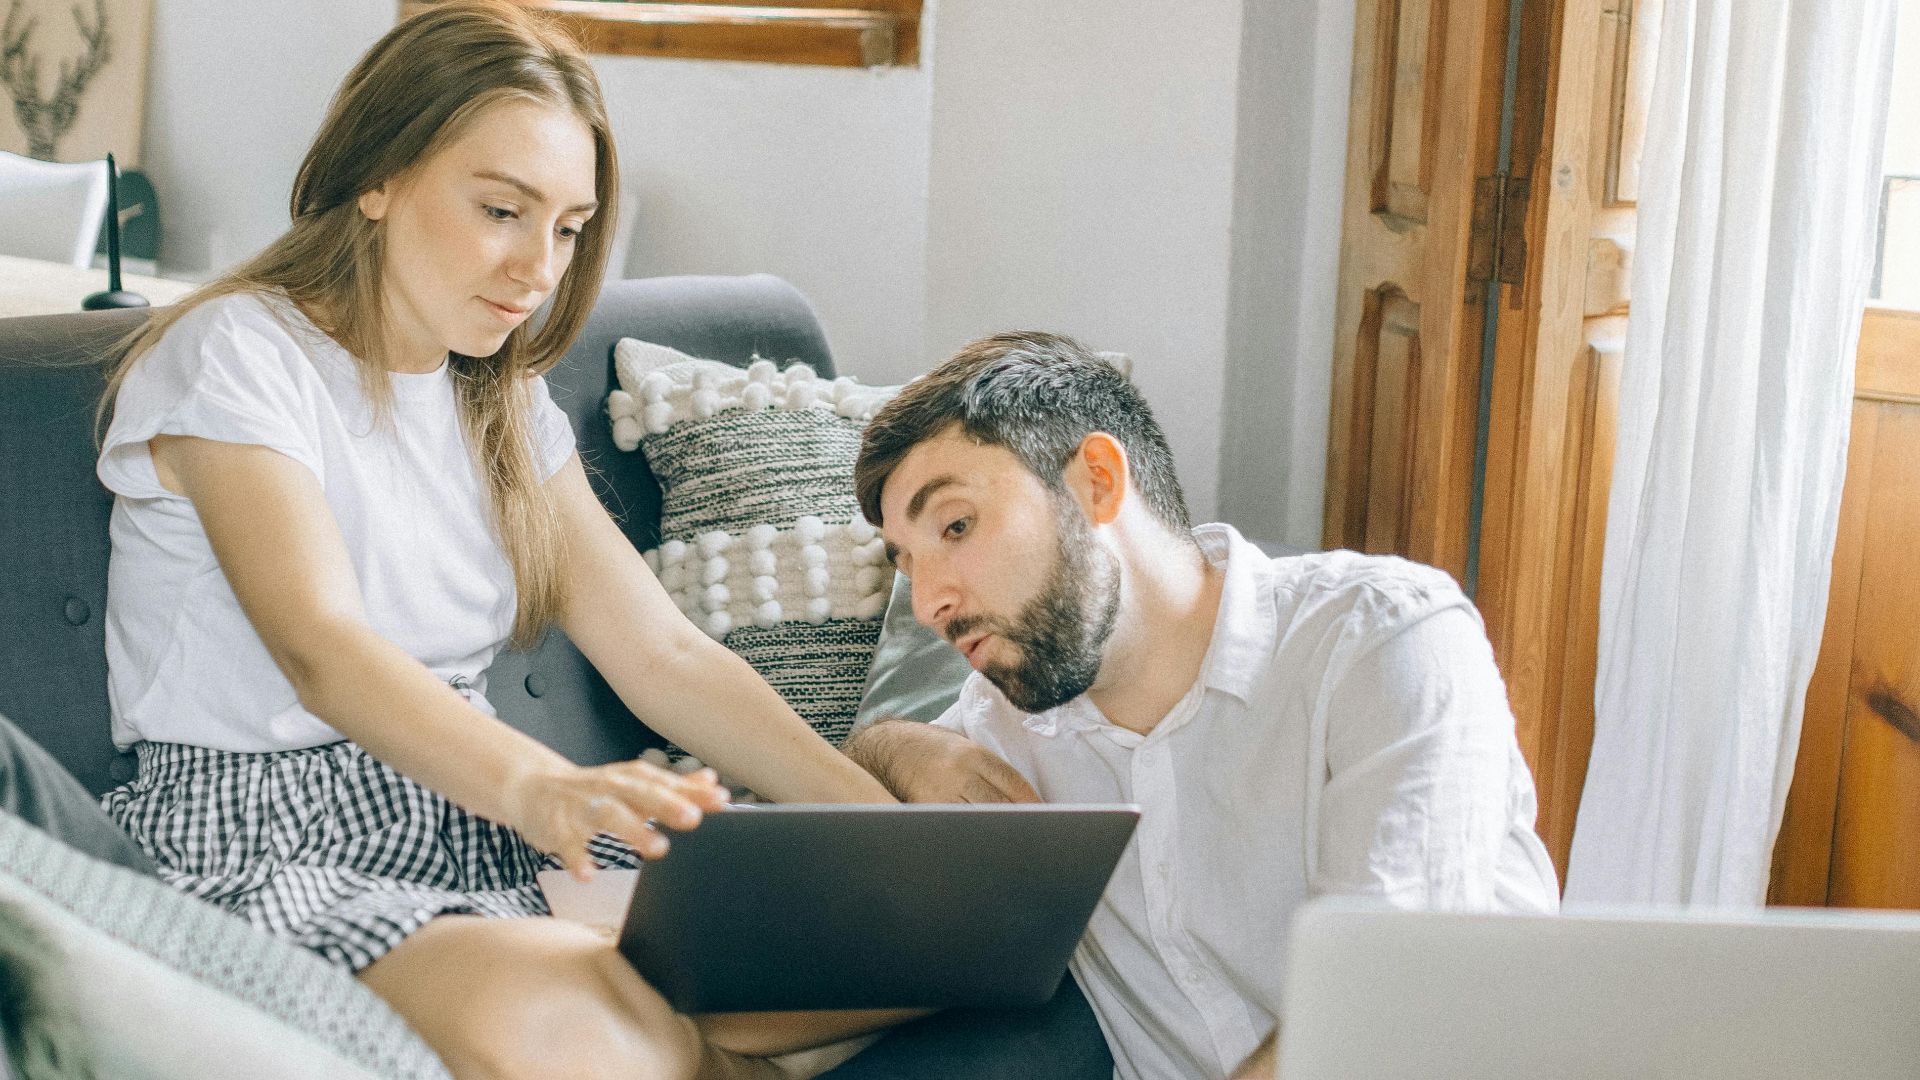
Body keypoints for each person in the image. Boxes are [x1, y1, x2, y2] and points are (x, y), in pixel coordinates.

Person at [92, 4, 898, 1077]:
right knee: (576, 1031)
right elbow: (321, 649)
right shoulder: (237, 352)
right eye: (501, 210)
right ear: (375, 177)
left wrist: (888, 839)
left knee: (912, 957)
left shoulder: (502, 401)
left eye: (567, 229)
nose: (538, 268)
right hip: (267, 833)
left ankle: (690, 1046)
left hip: (484, 818)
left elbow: (664, 655)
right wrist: (538, 788)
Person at [840, 331, 1562, 1080]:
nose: (929, 603)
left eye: (955, 526)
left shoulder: (1382, 639)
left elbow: (1378, 1015)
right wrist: (902, 745)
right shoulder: (1007, 719)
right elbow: (849, 816)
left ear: (1096, 482)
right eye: (909, 563)